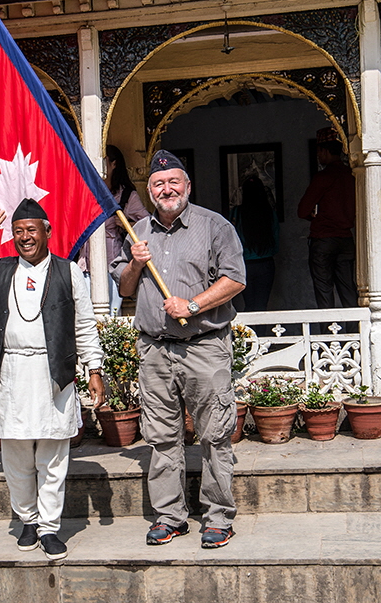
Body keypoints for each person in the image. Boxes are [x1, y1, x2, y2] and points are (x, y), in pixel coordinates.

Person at [0, 199, 105, 560]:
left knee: (52, 458)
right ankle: (27, 520)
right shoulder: (0, 271)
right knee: (16, 458)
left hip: (54, 376)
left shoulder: (68, 272)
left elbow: (84, 326)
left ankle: (49, 528)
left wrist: (95, 369)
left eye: (32, 230)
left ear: (47, 231)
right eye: (18, 232)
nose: (25, 237)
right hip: (14, 373)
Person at [112, 150, 246, 550]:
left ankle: (218, 516)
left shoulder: (214, 226)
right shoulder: (139, 232)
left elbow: (235, 279)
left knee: (215, 435)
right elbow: (123, 287)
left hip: (204, 347)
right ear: (150, 191)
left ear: (187, 186)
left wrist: (192, 305)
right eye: (158, 184)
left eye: (173, 182)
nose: (166, 189)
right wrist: (134, 264)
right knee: (161, 438)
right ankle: (170, 517)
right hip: (154, 350)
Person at [297, 134, 357, 308]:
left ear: (324, 151)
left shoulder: (323, 177)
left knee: (324, 291)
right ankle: (355, 332)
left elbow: (302, 211)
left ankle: (328, 333)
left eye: (319, 152)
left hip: (323, 239)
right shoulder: (351, 175)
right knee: (348, 290)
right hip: (346, 239)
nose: (318, 156)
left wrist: (313, 216)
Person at [103, 145, 149, 312]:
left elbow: (149, 225)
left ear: (113, 164)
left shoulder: (126, 196)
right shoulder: (87, 192)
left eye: (103, 161)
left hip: (112, 262)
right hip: (85, 265)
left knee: (110, 314)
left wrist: (127, 224)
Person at [229, 176, 278, 311]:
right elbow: (276, 243)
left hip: (245, 265)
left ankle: (248, 332)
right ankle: (262, 332)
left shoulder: (236, 213)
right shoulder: (269, 213)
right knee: (262, 305)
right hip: (266, 263)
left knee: (249, 305)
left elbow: (230, 241)